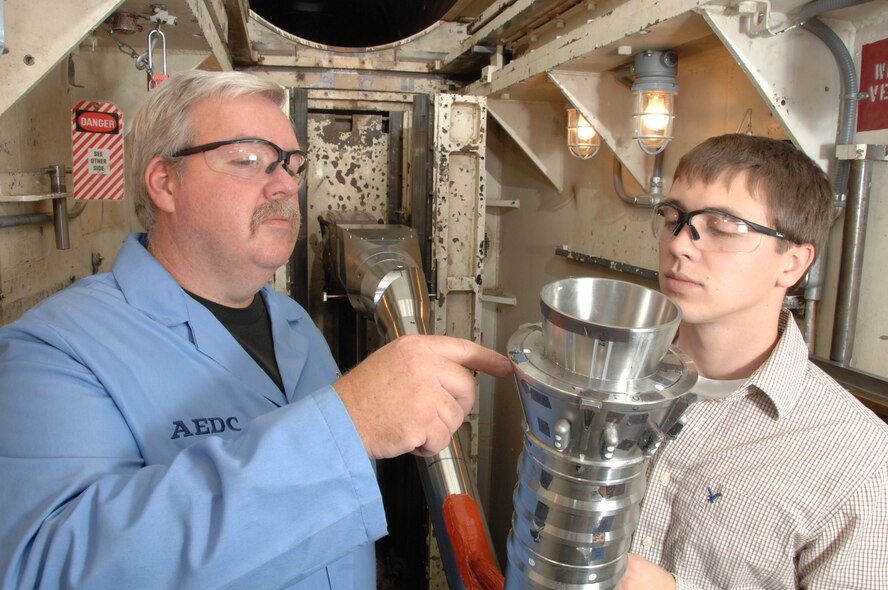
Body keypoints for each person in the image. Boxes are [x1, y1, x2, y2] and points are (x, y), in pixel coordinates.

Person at [0, 70, 511, 589]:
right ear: (164, 183)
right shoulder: (56, 350)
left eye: (292, 165)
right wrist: (348, 426)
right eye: (248, 159)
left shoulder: (294, 326)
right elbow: (45, 570)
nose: (286, 184)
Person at [618, 134, 888, 589]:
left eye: (722, 228)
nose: (680, 245)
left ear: (794, 264)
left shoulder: (859, 463)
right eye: (673, 218)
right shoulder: (612, 375)